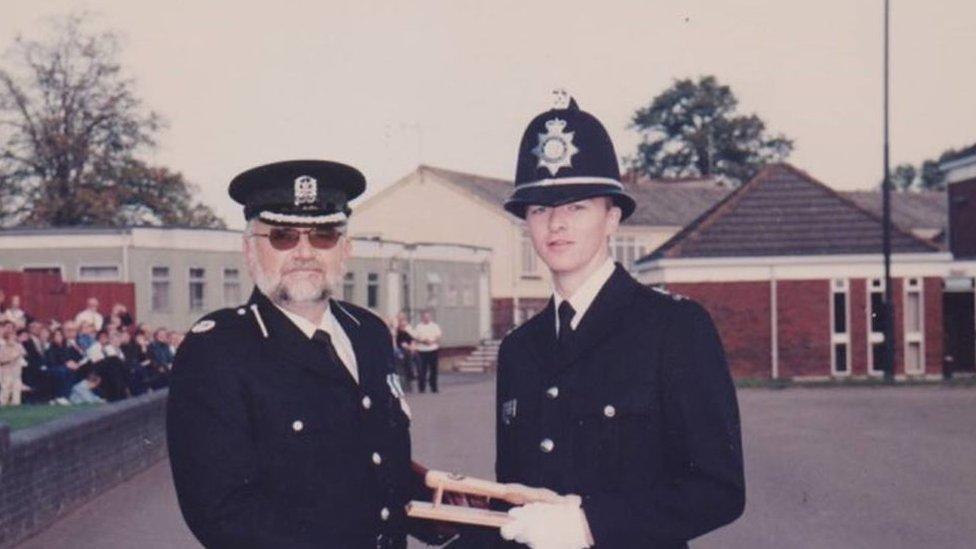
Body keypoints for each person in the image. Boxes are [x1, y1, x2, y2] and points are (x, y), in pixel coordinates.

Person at [466, 94, 744, 548]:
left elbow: (719, 489)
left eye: (577, 206)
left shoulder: (674, 329)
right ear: (527, 225)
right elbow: (515, 502)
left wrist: (591, 524)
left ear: (612, 218)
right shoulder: (520, 349)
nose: (556, 223)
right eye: (539, 209)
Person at [166, 159, 444, 548]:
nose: (304, 252)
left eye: (323, 236)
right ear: (250, 250)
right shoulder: (217, 351)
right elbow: (221, 513)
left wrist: (451, 511)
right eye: (282, 236)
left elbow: (380, 465)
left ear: (345, 250)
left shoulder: (369, 334)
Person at [413, 310, 443, 393]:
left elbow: (438, 336)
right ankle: (422, 388)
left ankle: (434, 387)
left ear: (430, 317)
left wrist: (432, 342)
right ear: (422, 318)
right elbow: (416, 337)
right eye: (425, 317)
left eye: (428, 317)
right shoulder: (419, 327)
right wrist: (424, 341)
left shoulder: (434, 326)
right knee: (422, 370)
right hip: (422, 350)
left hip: (433, 349)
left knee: (434, 370)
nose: (426, 318)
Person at [0, 320, 26, 406]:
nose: (9, 330)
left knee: (16, 393)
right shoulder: (3, 345)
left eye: (11, 328)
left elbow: (24, 353)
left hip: (15, 372)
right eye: (7, 328)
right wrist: (13, 357)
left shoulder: (18, 346)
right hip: (4, 372)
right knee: (5, 392)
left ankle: (15, 407)